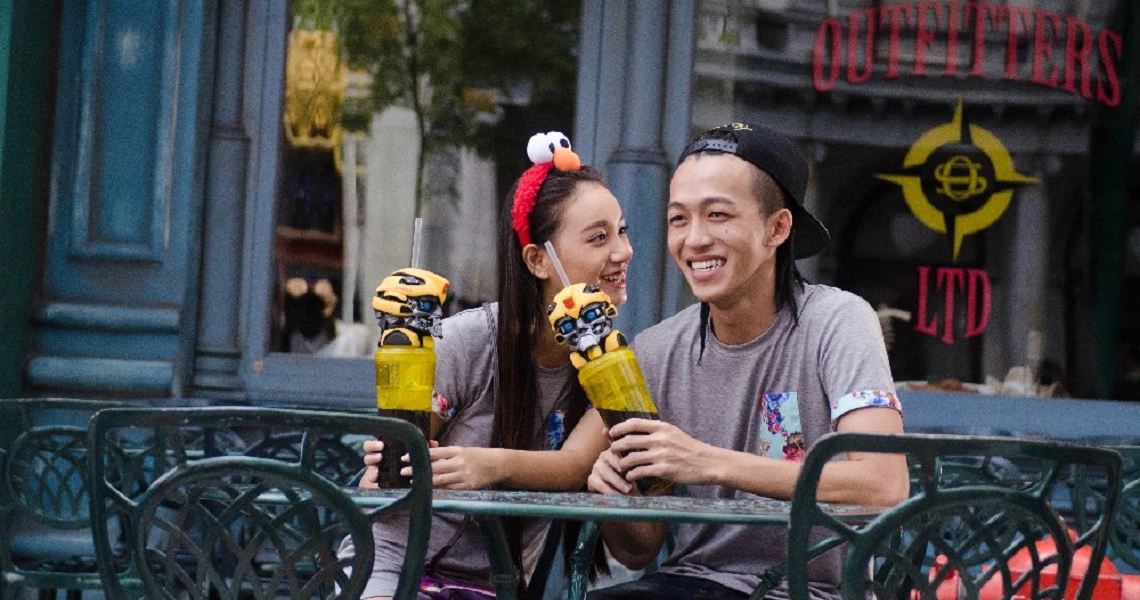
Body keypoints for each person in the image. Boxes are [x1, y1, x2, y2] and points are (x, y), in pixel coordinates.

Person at [585, 123, 909, 600]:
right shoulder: (655, 349)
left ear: (778, 228)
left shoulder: (838, 321)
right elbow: (639, 551)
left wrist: (706, 463)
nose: (694, 240)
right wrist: (613, 495)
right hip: (685, 584)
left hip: (807, 590)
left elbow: (883, 484)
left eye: (718, 215)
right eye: (679, 219)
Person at [340, 131, 629, 599]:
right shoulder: (467, 341)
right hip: (395, 567)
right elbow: (402, 455)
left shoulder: (607, 360)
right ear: (537, 260)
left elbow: (574, 466)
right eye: (599, 237)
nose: (622, 251)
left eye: (622, 231)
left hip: (493, 586)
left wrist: (486, 465)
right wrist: (388, 459)